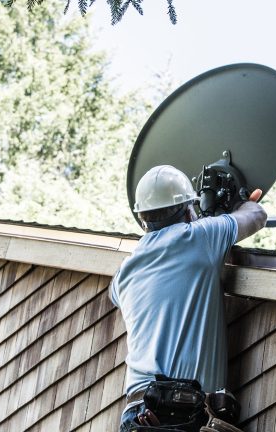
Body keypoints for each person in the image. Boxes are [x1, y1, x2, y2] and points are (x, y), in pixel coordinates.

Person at [110, 165, 267, 431]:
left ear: (143, 218)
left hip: (137, 413)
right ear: (187, 210)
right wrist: (240, 203)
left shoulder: (126, 271)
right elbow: (257, 215)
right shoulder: (199, 237)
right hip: (178, 412)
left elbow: (119, 294)